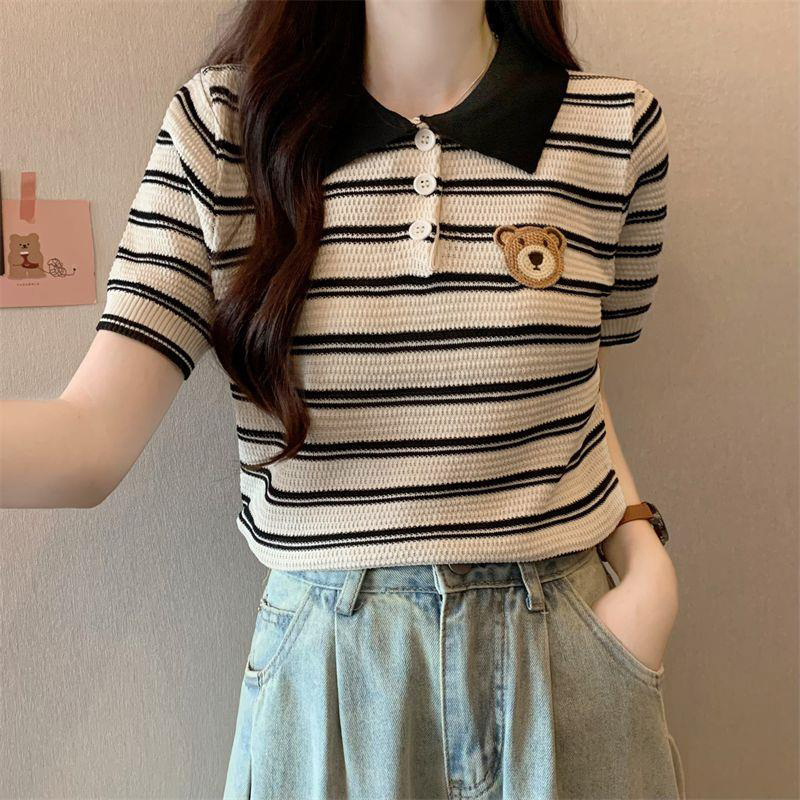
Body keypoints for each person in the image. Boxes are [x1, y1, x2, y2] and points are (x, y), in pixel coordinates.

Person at [1, 0, 684, 797]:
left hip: (566, 648)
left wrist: (645, 566)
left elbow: (580, 381)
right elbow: (88, 440)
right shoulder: (226, 130)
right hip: (329, 675)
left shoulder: (615, 130)